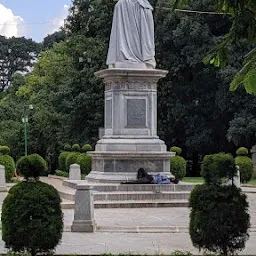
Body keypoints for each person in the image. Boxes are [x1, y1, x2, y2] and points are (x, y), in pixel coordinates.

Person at [107, 0, 156, 69]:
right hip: (123, 51)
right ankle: (124, 55)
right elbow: (117, 32)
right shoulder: (120, 5)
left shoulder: (144, 7)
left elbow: (148, 33)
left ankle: (143, 58)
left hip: (141, 46)